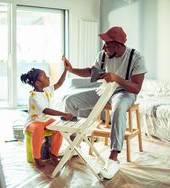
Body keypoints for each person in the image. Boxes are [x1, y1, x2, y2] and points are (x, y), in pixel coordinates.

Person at [63, 26, 147, 178]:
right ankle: (75, 146)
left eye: (107, 44)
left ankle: (113, 159)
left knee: (119, 108)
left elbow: (136, 88)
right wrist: (71, 69)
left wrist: (116, 78)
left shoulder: (136, 57)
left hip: (125, 92)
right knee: (70, 101)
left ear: (119, 45)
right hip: (105, 90)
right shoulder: (103, 54)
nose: (103, 47)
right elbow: (91, 71)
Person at [21, 64, 73, 168]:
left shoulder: (46, 90)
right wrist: (63, 114)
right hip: (33, 121)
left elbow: (59, 83)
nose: (48, 77)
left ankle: (53, 154)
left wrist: (65, 70)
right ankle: (37, 157)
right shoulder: (34, 97)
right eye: (44, 76)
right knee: (39, 128)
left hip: (46, 119)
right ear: (37, 83)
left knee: (59, 127)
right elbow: (46, 110)